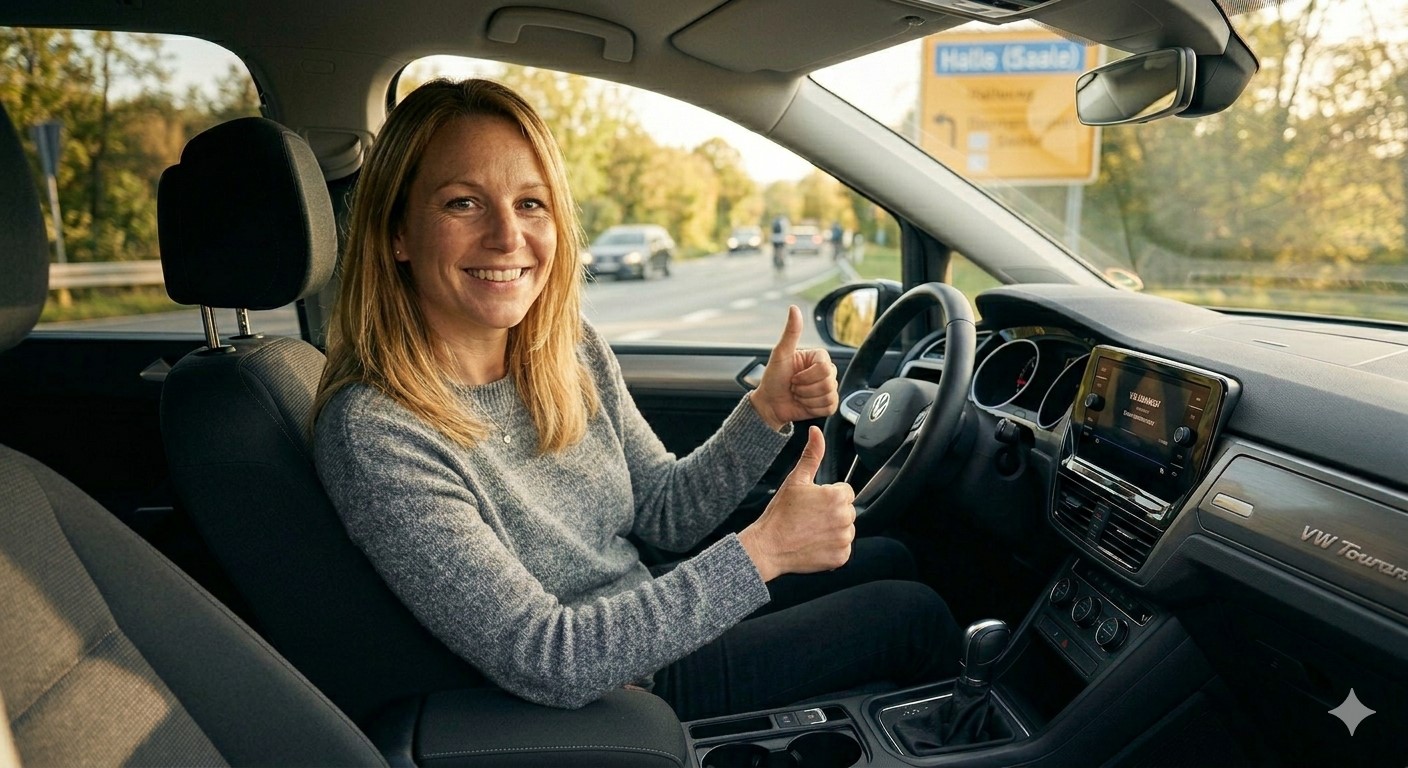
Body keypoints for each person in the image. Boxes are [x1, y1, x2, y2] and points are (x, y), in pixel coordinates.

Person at [312, 78, 958, 721]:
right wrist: (767, 551)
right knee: (911, 618)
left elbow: (664, 513)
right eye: (463, 203)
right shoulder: (378, 430)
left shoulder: (566, 348)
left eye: (531, 204)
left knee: (893, 556)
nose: (508, 237)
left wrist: (767, 412)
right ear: (398, 232)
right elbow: (547, 657)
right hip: (619, 692)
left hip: (648, 614)